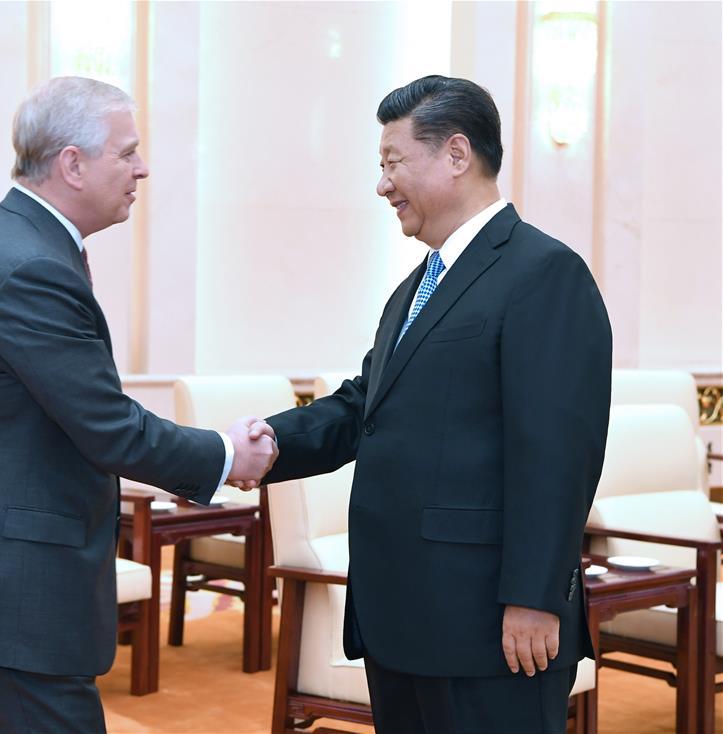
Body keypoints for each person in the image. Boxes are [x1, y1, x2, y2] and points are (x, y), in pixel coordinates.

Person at [0, 76, 277, 733]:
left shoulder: (18, 241)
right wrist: (224, 454)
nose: (142, 169)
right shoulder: (27, 266)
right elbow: (109, 427)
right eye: (127, 153)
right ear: (72, 163)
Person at [252, 75, 612, 733]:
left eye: (392, 163)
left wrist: (532, 599)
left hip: (491, 628)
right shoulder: (412, 290)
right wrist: (260, 445)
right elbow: (365, 407)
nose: (381, 185)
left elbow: (556, 454)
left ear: (454, 154)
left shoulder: (542, 273)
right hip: (404, 616)